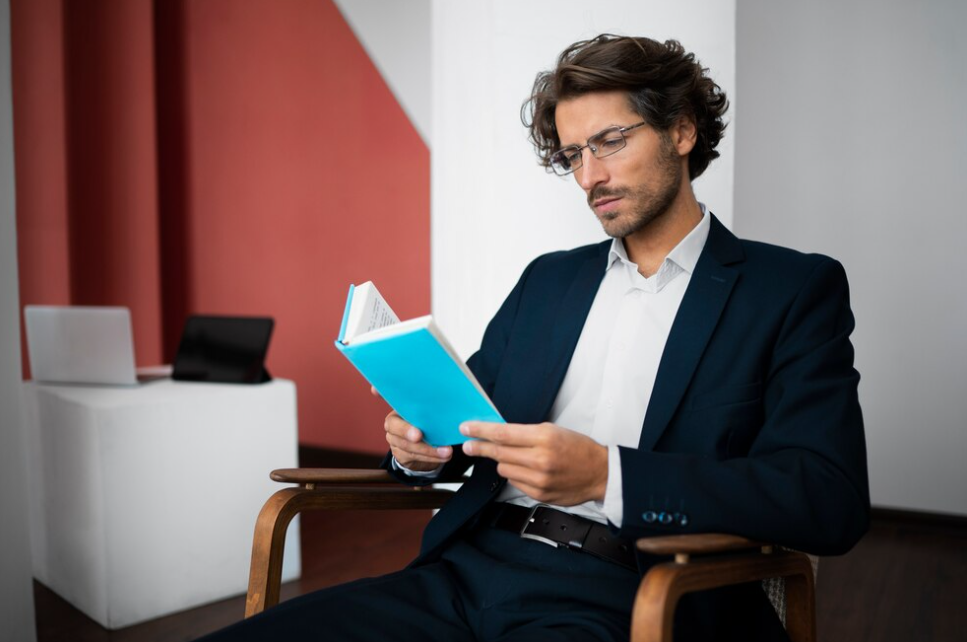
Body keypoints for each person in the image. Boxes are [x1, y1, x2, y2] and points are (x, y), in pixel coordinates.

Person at [201, 34, 869, 642]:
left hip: (632, 595)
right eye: (573, 154)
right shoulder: (549, 282)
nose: (588, 177)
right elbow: (474, 426)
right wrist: (419, 449)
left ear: (682, 130)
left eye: (609, 142)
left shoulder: (787, 290)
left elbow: (826, 499)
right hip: (461, 573)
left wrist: (609, 476)